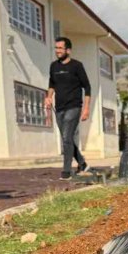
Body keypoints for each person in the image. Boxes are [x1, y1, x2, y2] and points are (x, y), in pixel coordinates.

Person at [45, 37, 91, 180]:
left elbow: (87, 87)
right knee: (68, 138)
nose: (57, 51)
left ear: (68, 50)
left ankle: (66, 171)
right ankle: (82, 164)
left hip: (74, 107)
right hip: (59, 108)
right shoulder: (54, 66)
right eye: (56, 48)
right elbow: (52, 84)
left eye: (60, 48)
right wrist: (48, 97)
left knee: (66, 138)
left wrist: (86, 109)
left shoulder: (77, 66)